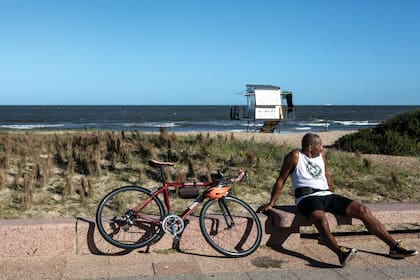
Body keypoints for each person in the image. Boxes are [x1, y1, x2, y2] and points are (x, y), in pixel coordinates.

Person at [259, 133, 417, 267]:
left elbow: (326, 174)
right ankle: (340, 252)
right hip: (307, 197)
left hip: (327, 195)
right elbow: (281, 179)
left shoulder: (321, 155)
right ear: (309, 148)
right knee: (320, 219)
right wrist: (271, 203)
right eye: (319, 146)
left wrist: (333, 195)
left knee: (363, 210)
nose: (322, 148)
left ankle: (394, 246)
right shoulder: (295, 156)